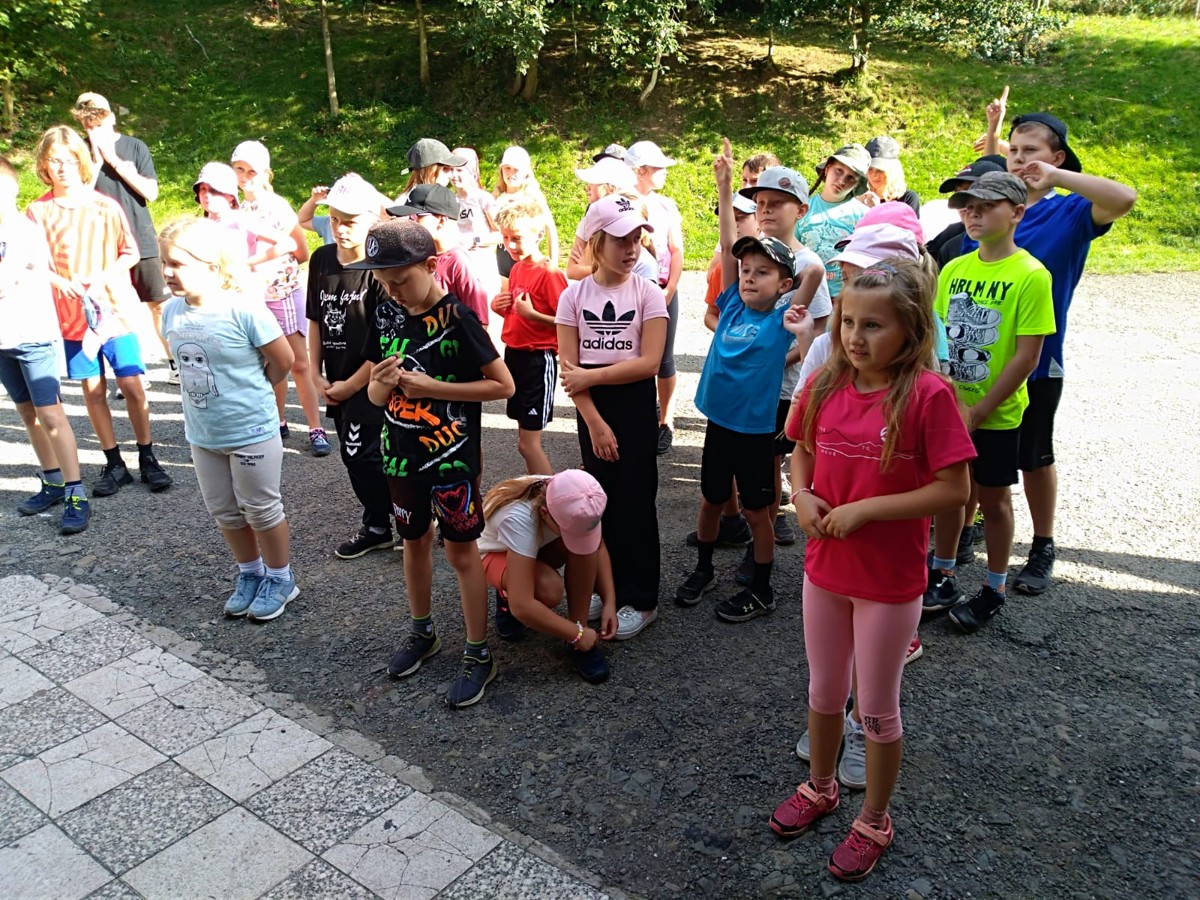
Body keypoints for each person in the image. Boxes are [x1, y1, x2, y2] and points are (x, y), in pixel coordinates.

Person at [770, 260, 975, 883]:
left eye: (874, 326)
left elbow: (954, 489)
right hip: (825, 568)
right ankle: (821, 785)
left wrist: (866, 510)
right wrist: (802, 495)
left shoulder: (929, 396)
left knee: (877, 709)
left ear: (911, 330)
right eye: (848, 322)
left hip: (887, 581)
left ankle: (875, 820)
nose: (855, 337)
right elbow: (800, 452)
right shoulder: (824, 384)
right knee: (823, 692)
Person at [977, 95, 1136, 596]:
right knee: (978, 450)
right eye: (1015, 151)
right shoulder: (995, 212)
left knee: (1034, 456)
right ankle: (974, 527)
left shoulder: (1070, 212)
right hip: (978, 361)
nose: (1020, 160)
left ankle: (1043, 544)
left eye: (1032, 152)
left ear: (1057, 157)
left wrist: (1056, 178)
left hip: (1039, 362)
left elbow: (1124, 198)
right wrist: (997, 139)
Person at [358, 218, 515, 709]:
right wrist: (381, 385)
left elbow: (503, 385)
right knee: (413, 542)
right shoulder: (385, 312)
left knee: (462, 553)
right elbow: (374, 394)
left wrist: (431, 387)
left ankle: (478, 652)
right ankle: (422, 631)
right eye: (383, 281)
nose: (393, 291)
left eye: (401, 280)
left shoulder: (458, 318)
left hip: (451, 461)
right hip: (399, 457)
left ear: (430, 266)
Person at [674, 139, 807, 623]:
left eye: (763, 272)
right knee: (711, 500)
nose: (749, 277)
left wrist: (798, 332)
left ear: (784, 284)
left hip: (754, 432)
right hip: (720, 425)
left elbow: (810, 298)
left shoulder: (781, 318)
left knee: (757, 512)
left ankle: (763, 586)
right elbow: (730, 245)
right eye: (747, 270)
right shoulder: (731, 302)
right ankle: (704, 568)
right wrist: (726, 187)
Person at [925, 171, 1056, 633]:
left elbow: (1027, 356)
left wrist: (980, 410)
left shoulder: (1031, 275)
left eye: (985, 206)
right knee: (949, 492)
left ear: (1017, 212)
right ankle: (942, 574)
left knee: (994, 498)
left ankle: (994, 587)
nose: (972, 214)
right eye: (968, 207)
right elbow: (938, 338)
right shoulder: (955, 268)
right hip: (951, 407)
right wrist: (948, 396)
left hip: (996, 413)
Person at [158, 217, 298, 621]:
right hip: (203, 434)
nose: (167, 272)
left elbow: (283, 361)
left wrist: (252, 391)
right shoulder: (171, 311)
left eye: (178, 264)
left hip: (251, 430)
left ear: (212, 267)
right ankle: (250, 573)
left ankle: (281, 578)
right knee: (224, 511)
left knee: (261, 509)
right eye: (165, 263)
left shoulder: (243, 309)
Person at [25, 125, 172, 497]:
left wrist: (102, 277)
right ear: (44, 165)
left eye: (70, 160)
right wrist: (60, 282)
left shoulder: (105, 206)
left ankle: (148, 456)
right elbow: (32, 262)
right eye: (54, 161)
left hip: (115, 311)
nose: (63, 168)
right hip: (72, 318)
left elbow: (130, 252)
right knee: (93, 390)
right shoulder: (37, 211)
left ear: (82, 162)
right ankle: (113, 461)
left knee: (132, 385)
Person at [556, 194, 668, 641]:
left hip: (635, 404)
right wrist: (594, 421)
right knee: (600, 500)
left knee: (636, 500)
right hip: (593, 409)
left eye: (637, 238)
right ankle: (610, 586)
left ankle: (642, 599)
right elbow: (570, 372)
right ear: (596, 243)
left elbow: (650, 363)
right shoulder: (573, 295)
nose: (632, 248)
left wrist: (592, 377)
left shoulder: (647, 292)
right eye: (621, 239)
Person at [305, 175, 395, 560]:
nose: (340, 229)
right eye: (335, 220)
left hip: (370, 381)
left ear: (372, 220)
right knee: (352, 452)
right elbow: (314, 319)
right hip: (335, 378)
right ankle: (387, 522)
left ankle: (388, 521)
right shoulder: (321, 260)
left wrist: (352, 385)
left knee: (362, 454)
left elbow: (384, 341)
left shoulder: (379, 270)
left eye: (351, 221)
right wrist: (314, 372)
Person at [0, 156, 90, 534]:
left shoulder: (24, 231)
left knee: (51, 414)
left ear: (11, 188)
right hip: (3, 339)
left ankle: (76, 493)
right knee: (27, 413)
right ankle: (52, 482)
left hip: (33, 336)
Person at [229, 140, 328, 456]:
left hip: (282, 292)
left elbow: (301, 251)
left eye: (252, 171)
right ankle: (278, 420)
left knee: (298, 362)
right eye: (239, 169)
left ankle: (315, 427)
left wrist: (263, 264)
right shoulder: (233, 207)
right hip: (251, 296)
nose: (245, 177)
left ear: (266, 173)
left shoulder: (277, 206)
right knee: (268, 361)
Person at [70, 93, 175, 381]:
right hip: (101, 243)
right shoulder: (78, 154)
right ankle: (132, 372)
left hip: (140, 235)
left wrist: (114, 161)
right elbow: (76, 199)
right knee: (115, 306)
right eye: (89, 123)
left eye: (100, 120)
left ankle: (175, 363)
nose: (95, 127)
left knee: (159, 304)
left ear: (112, 117)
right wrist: (94, 162)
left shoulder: (134, 146)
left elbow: (151, 192)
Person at [477, 470, 618, 683]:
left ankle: (578, 628)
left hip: (531, 544)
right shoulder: (518, 518)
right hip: (493, 552)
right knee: (549, 589)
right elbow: (522, 605)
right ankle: (506, 594)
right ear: (545, 513)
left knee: (583, 547)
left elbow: (597, 546)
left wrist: (609, 602)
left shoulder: (581, 493)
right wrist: (576, 634)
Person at [491, 198, 568, 476]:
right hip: (514, 356)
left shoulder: (549, 273)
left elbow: (569, 323)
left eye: (517, 238)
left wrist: (533, 315)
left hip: (538, 360)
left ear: (538, 235)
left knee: (528, 445)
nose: (510, 245)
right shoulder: (517, 268)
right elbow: (518, 314)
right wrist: (500, 308)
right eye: (505, 238)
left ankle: (551, 493)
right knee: (524, 442)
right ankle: (539, 491)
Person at [625, 140, 683, 455]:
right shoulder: (622, 202)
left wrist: (670, 289)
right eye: (659, 167)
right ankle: (642, 416)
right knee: (633, 354)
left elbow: (677, 249)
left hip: (662, 288)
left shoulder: (666, 205)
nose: (665, 172)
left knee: (664, 358)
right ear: (641, 171)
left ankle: (666, 421)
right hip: (630, 290)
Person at [388, 184, 491, 325]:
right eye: (409, 218)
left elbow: (479, 322)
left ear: (441, 220)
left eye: (416, 216)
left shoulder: (459, 261)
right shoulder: (416, 258)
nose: (411, 223)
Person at [795, 143, 871, 301]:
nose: (842, 181)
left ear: (857, 184)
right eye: (839, 171)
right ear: (827, 169)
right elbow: (792, 250)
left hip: (846, 298)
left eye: (851, 178)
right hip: (806, 295)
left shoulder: (864, 215)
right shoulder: (803, 209)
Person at [565, 158, 642, 281]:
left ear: (610, 188)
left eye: (593, 182)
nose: (587, 187)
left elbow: (629, 269)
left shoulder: (634, 219)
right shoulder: (587, 221)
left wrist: (591, 267)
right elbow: (572, 271)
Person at [493, 145, 559, 284]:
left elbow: (551, 230)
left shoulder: (532, 196)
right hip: (502, 258)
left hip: (524, 257)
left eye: (516, 169)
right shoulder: (498, 196)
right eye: (507, 168)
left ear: (526, 173)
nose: (511, 174)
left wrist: (553, 266)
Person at [924, 156, 1006, 267]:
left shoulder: (1021, 241)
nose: (964, 205)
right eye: (958, 194)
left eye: (972, 193)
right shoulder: (950, 242)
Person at [861, 136, 921, 214]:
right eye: (870, 169)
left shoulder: (907, 199)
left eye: (880, 170)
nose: (874, 175)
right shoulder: (858, 196)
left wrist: (877, 210)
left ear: (893, 170)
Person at [396, 139, 464, 203]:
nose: (451, 175)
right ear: (430, 171)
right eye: (445, 169)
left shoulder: (440, 197)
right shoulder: (408, 202)